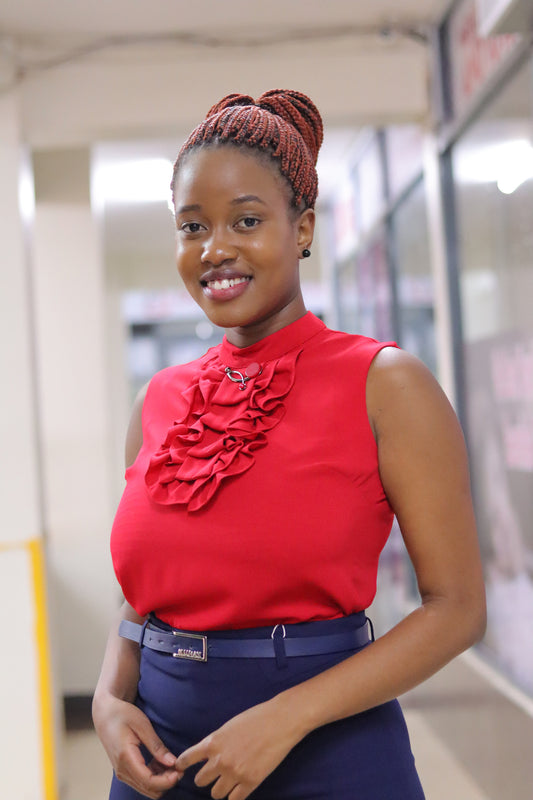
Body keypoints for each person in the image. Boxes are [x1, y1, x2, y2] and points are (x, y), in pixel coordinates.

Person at [92, 90, 486, 800]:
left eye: (246, 220)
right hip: (160, 760)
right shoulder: (158, 400)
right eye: (191, 227)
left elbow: (454, 607)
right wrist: (107, 701)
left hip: (326, 754)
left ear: (301, 228)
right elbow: (139, 601)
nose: (215, 249)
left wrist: (283, 719)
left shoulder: (383, 382)